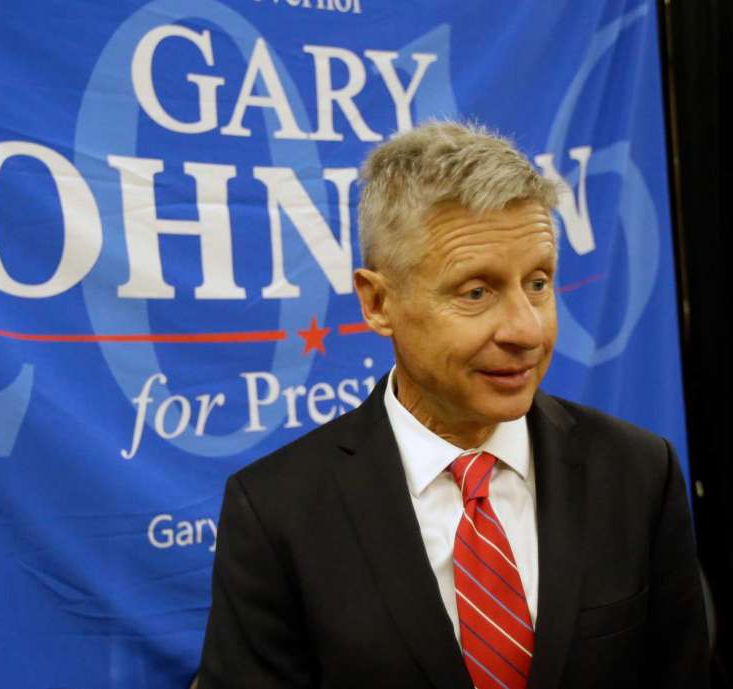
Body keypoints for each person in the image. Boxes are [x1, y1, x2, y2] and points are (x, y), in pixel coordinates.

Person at [197, 121, 709, 689]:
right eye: (476, 291)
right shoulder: (276, 511)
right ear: (378, 301)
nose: (526, 329)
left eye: (538, 282)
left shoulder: (638, 471)